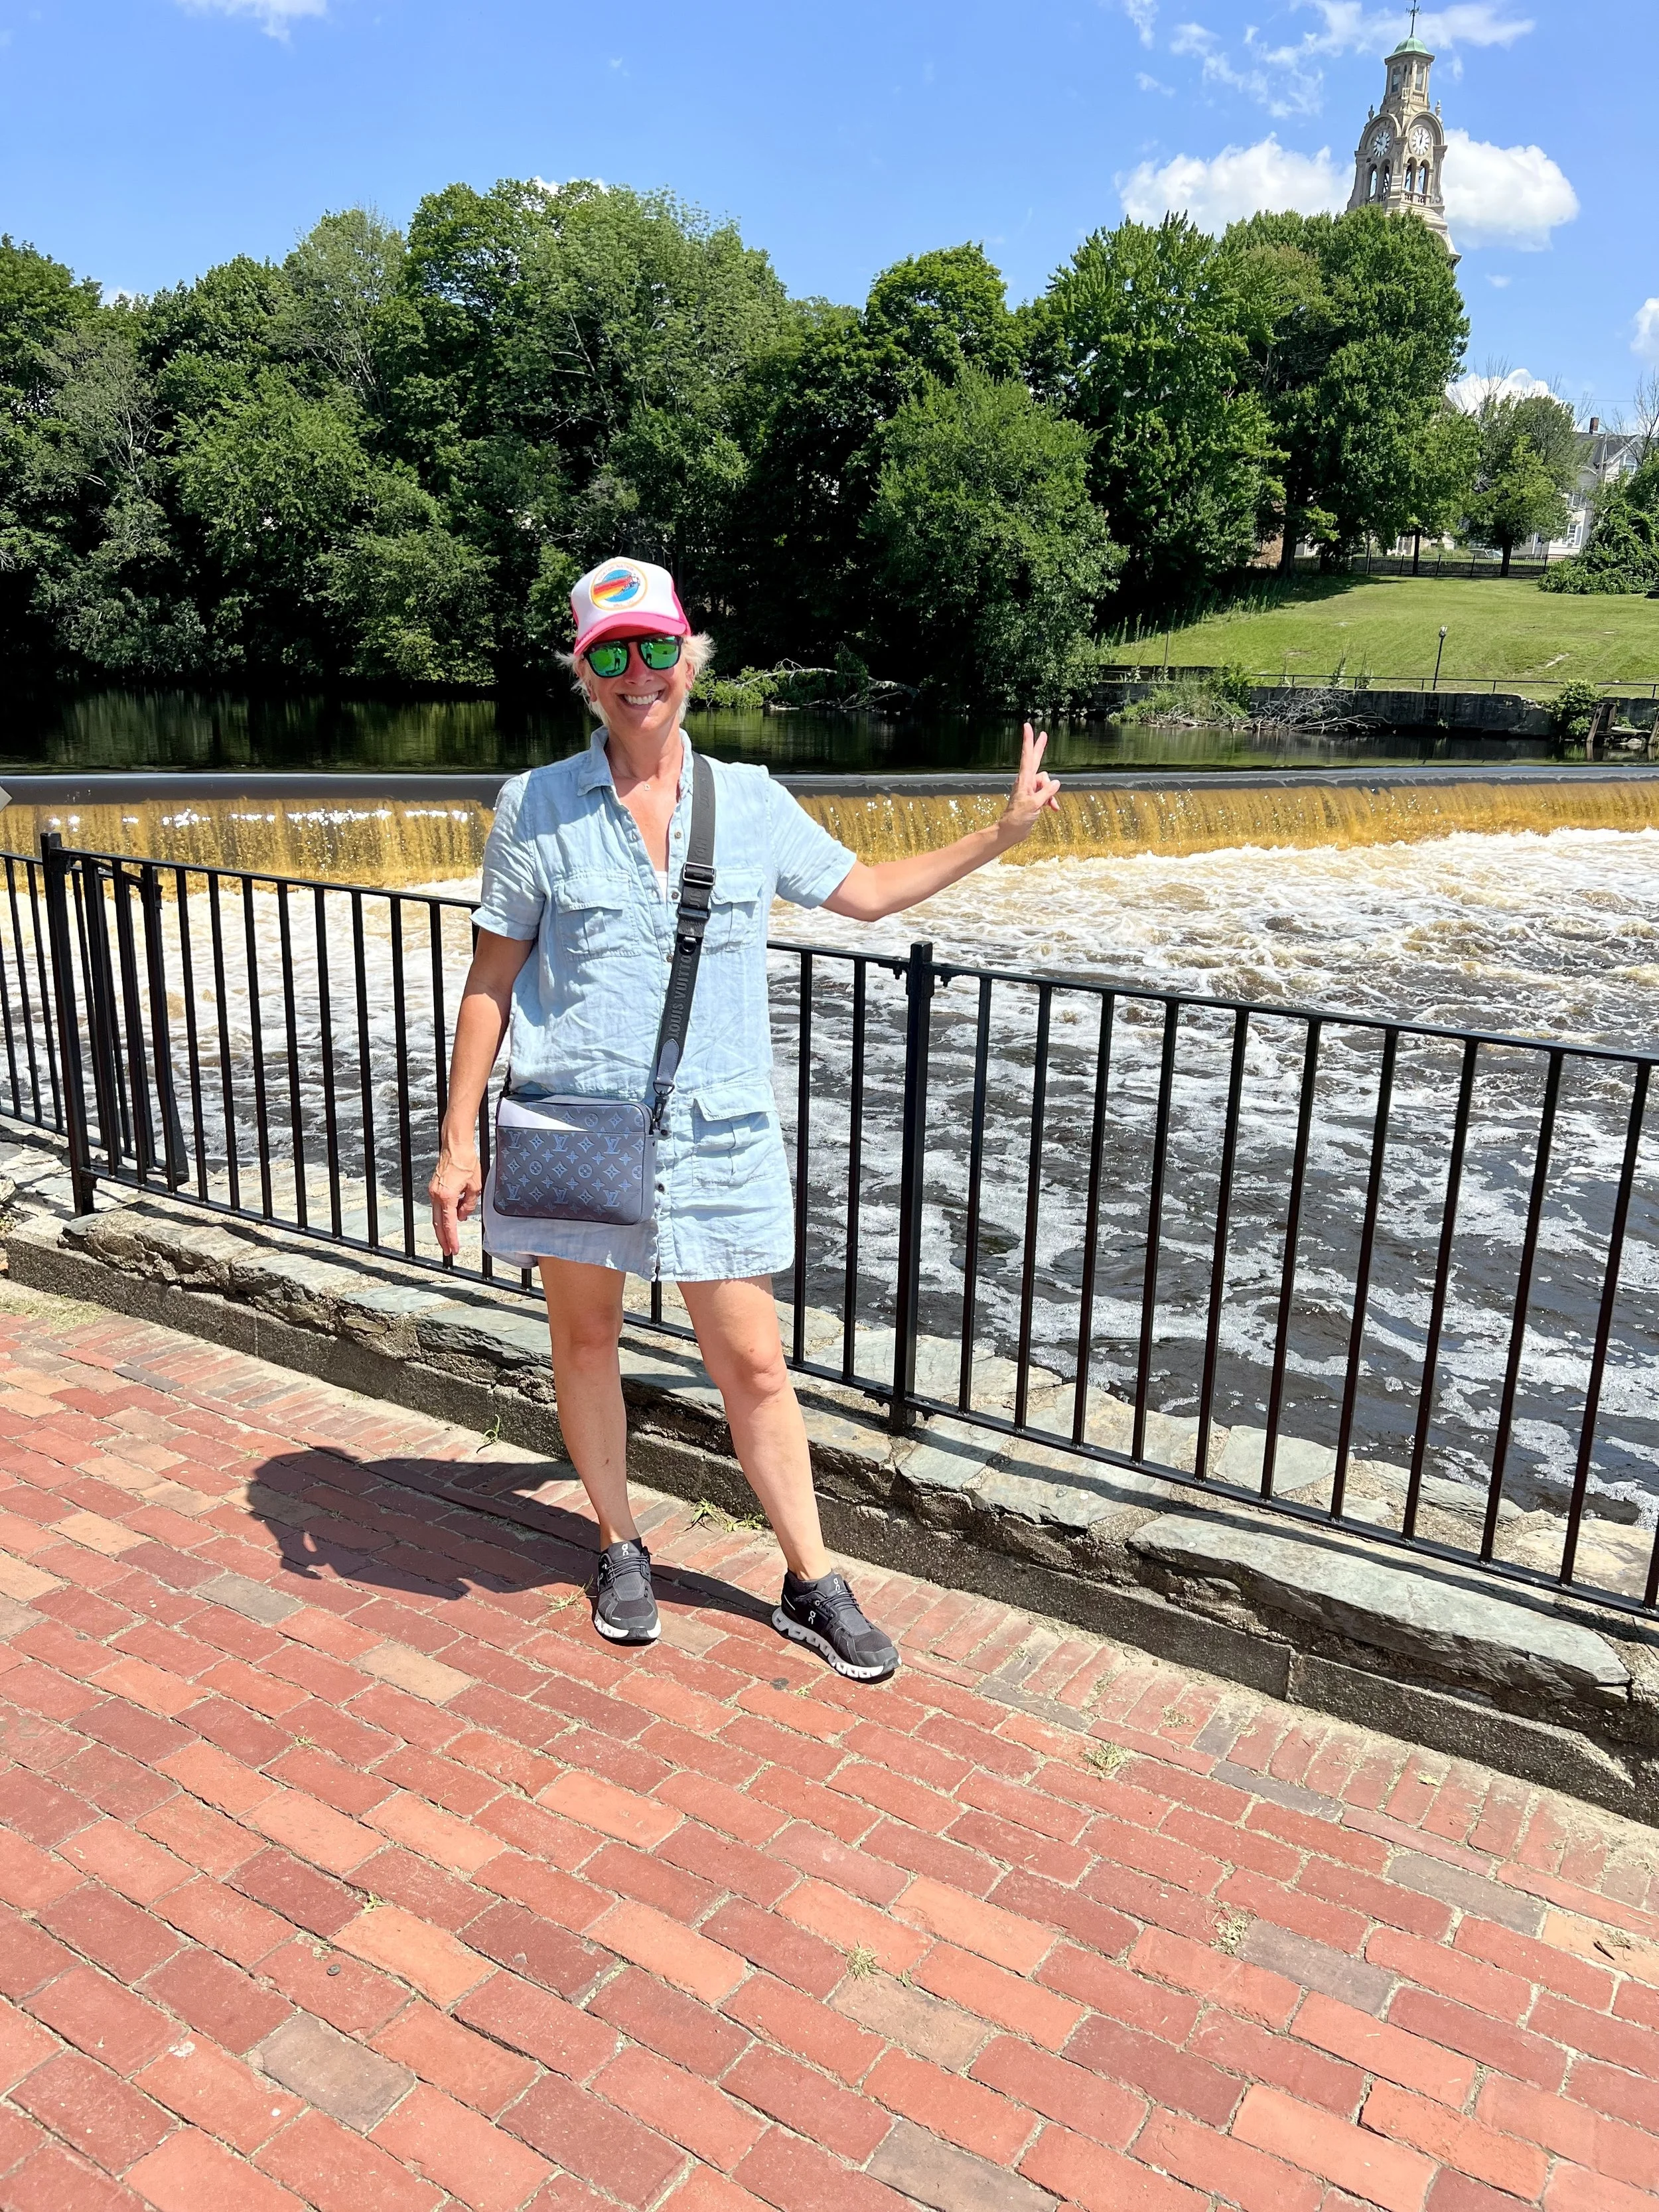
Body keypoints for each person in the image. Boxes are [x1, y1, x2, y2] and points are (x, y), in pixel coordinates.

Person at [429, 555, 1059, 1678]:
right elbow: (492, 980)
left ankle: (812, 1579)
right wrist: (459, 1137)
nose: (638, 676)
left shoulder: (749, 800)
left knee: (756, 1367)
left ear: (689, 659)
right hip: (574, 1120)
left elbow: (863, 892)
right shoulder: (534, 806)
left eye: (656, 650)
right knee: (586, 1340)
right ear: (585, 672)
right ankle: (619, 1542)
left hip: (719, 1130)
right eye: (611, 655)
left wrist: (1000, 836)